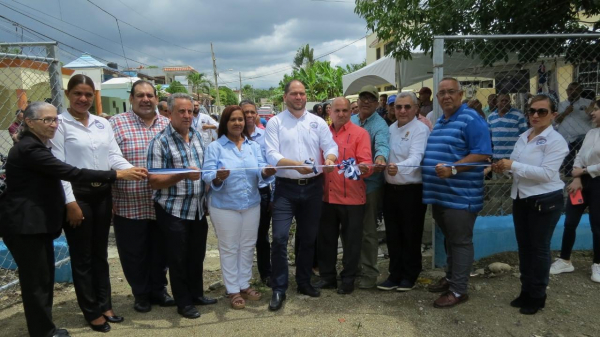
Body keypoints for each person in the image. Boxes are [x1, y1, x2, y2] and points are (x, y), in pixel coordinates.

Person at [0, 102, 142, 337]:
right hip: (25, 225)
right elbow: (71, 172)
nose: (53, 124)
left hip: (36, 224)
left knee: (42, 279)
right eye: (47, 120)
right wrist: (115, 175)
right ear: (29, 121)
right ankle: (43, 331)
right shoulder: (29, 149)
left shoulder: (37, 144)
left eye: (55, 119)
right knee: (36, 282)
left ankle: (44, 328)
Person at [50, 74, 147, 332]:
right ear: (68, 94)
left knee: (100, 254)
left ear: (94, 96)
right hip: (77, 194)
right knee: (82, 257)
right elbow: (60, 168)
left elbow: (113, 155)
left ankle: (105, 304)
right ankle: (91, 311)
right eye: (77, 94)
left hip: (102, 193)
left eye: (88, 94)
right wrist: (70, 203)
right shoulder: (59, 124)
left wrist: (133, 170)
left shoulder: (102, 124)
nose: (83, 99)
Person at [264, 80, 338, 311]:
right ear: (285, 97)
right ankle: (279, 288)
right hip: (285, 188)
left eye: (302, 93)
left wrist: (329, 160)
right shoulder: (275, 122)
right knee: (279, 238)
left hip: (313, 186)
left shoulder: (318, 122)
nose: (299, 97)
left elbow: (331, 147)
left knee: (307, 239)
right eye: (294, 94)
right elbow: (271, 154)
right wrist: (296, 165)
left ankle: (304, 282)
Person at [493, 94, 569, 314]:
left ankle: (538, 295)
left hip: (544, 200)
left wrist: (514, 165)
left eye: (542, 111)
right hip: (522, 197)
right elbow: (516, 166)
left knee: (539, 249)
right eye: (532, 111)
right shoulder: (524, 135)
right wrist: (504, 168)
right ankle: (525, 291)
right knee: (525, 247)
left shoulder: (556, 141)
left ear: (553, 115)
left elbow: (546, 174)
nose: (535, 115)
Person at [422, 77, 492, 308]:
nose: (446, 96)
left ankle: (459, 290)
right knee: (450, 240)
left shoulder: (471, 119)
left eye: (451, 92)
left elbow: (482, 154)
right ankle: (452, 278)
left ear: (461, 95)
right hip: (442, 196)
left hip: (461, 197)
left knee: (460, 242)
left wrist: (453, 168)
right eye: (442, 93)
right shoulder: (442, 120)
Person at [147, 93, 216, 319]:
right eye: (182, 111)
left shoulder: (197, 136)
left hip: (197, 209)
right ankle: (183, 302)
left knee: (196, 255)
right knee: (177, 259)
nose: (187, 116)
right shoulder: (160, 142)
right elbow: (154, 180)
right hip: (173, 210)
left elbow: (204, 170)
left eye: (191, 111)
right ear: (169, 113)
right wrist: (182, 175)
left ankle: (196, 294)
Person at [109, 80, 175, 314]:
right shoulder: (116, 124)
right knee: (133, 252)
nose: (145, 99)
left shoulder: (168, 124)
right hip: (129, 202)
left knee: (161, 250)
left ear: (157, 99)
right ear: (131, 99)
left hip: (162, 201)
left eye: (149, 95)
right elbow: (108, 158)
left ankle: (159, 290)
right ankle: (141, 294)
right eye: (140, 95)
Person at [202, 105, 276, 309]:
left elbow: (260, 169)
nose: (237, 123)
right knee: (229, 247)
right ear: (225, 122)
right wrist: (217, 176)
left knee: (247, 245)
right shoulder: (215, 147)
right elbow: (206, 173)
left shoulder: (253, 146)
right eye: (233, 119)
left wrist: (267, 172)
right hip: (225, 206)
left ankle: (244, 284)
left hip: (251, 203)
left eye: (240, 119)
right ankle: (232, 289)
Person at [313, 97, 372, 295]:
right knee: (326, 240)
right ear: (329, 112)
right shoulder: (322, 134)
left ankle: (348, 279)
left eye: (345, 111)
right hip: (326, 197)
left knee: (352, 242)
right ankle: (328, 277)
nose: (341, 114)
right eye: (337, 110)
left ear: (350, 112)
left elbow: (367, 164)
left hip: (352, 198)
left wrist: (364, 168)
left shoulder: (360, 134)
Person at [378, 92, 431, 292]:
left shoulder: (420, 129)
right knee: (393, 234)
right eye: (398, 107)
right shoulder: (390, 129)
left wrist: (398, 167)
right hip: (390, 189)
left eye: (407, 107)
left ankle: (410, 274)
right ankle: (395, 274)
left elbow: (417, 157)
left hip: (412, 190)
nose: (402, 111)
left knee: (411, 234)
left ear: (416, 109)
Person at [551, 99, 600, 282]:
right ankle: (565, 260)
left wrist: (586, 171)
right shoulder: (591, 132)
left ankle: (598, 264)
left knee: (597, 225)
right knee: (570, 221)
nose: (591, 113)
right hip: (581, 182)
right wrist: (578, 177)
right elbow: (579, 155)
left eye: (595, 109)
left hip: (597, 183)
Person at [351, 85, 390, 289]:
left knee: (368, 231)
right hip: (349, 185)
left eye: (370, 99)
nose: (366, 102)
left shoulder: (380, 125)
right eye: (362, 98)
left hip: (370, 186)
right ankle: (353, 267)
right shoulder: (352, 120)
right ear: (357, 101)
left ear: (376, 103)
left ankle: (369, 273)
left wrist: (380, 158)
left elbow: (382, 145)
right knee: (350, 229)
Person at [241, 99, 272, 286]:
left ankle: (265, 273)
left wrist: (273, 194)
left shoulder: (265, 136)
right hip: (240, 193)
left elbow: (272, 165)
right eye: (246, 112)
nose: (250, 116)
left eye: (253, 112)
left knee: (262, 236)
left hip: (262, 191)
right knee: (242, 237)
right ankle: (240, 277)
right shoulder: (231, 138)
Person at [556, 82, 594, 176]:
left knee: (583, 160)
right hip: (565, 138)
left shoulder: (588, 103)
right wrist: (565, 113)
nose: (573, 92)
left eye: (576, 89)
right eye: (571, 89)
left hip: (582, 137)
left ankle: (584, 175)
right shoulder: (561, 105)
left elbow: (594, 117)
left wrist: (589, 112)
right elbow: (555, 121)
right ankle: (568, 177)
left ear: (580, 91)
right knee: (568, 162)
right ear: (566, 91)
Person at [487, 94, 528, 161]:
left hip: (514, 157)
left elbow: (525, 134)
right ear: (497, 102)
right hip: (497, 157)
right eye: (502, 100)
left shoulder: (518, 115)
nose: (504, 102)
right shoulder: (491, 117)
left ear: (510, 102)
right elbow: (488, 137)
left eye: (506, 100)